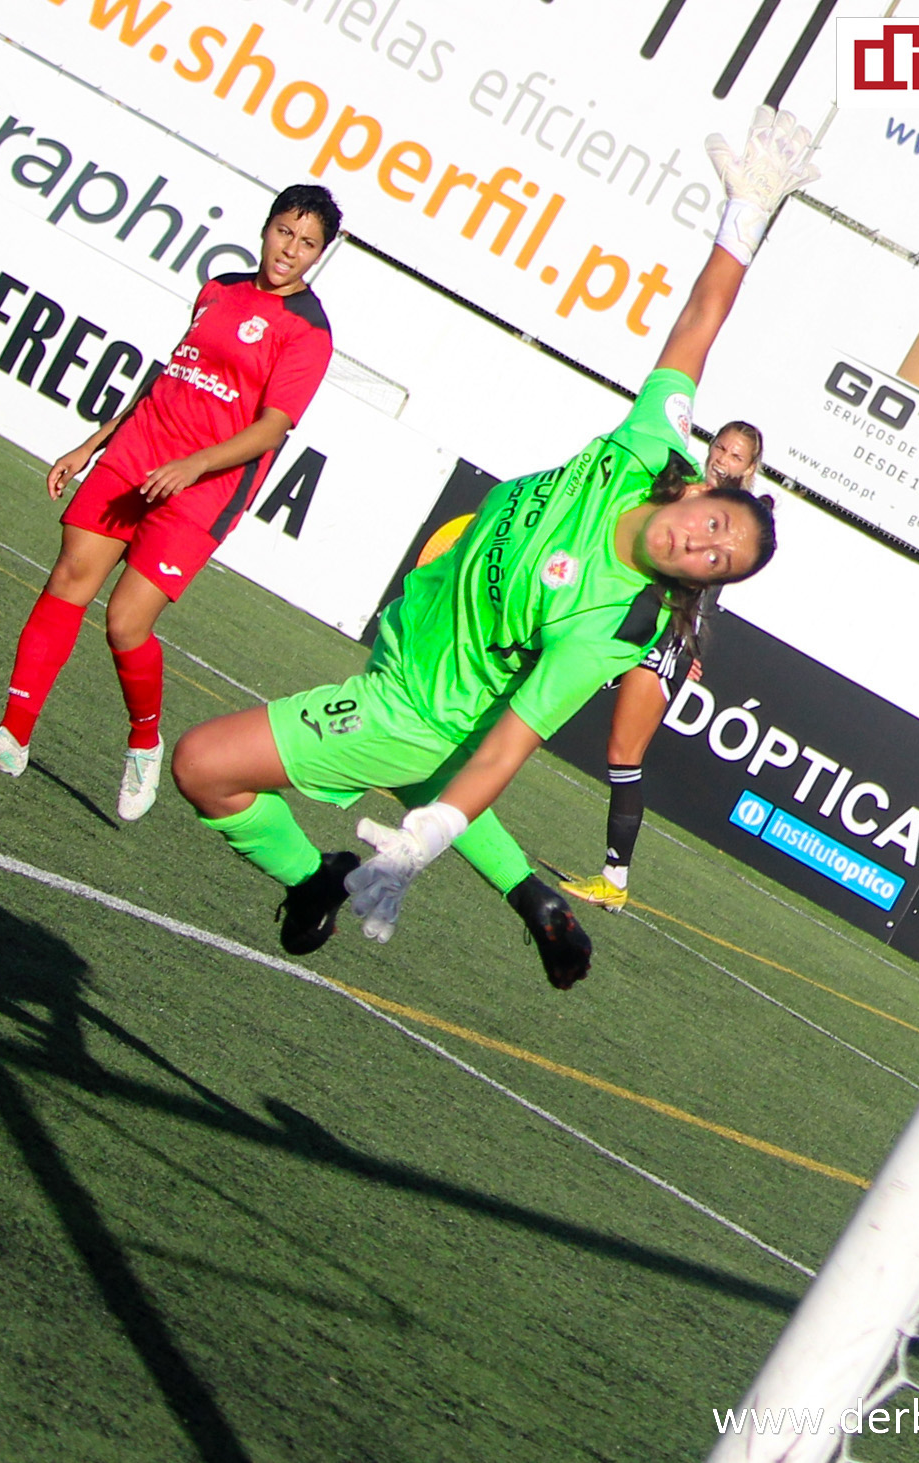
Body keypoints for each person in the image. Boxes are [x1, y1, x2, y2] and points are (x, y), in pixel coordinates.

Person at [168, 108, 816, 986]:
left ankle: (311, 875)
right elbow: (700, 321)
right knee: (433, 765)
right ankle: (528, 895)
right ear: (700, 485)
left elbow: (508, 746)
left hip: (410, 706)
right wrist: (745, 218)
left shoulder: (616, 622)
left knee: (203, 766)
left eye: (717, 562)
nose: (701, 545)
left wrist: (418, 848)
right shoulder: (648, 448)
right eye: (715, 526)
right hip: (429, 666)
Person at [0, 185, 342, 821]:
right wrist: (92, 444)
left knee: (126, 622)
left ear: (321, 254)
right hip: (135, 456)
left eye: (307, 244)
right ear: (266, 228)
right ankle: (11, 737)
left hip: (203, 486)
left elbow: (271, 429)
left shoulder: (309, 332)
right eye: (284, 233)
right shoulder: (219, 289)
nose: (290, 251)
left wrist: (192, 466)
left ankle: (142, 741)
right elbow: (170, 376)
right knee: (69, 578)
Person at [554, 419, 762, 913]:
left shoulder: (742, 515)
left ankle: (614, 878)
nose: (723, 459)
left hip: (667, 636)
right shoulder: (687, 485)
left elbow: (709, 589)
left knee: (624, 755)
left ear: (750, 467)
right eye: (721, 448)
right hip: (633, 618)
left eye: (736, 456)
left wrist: (690, 650)